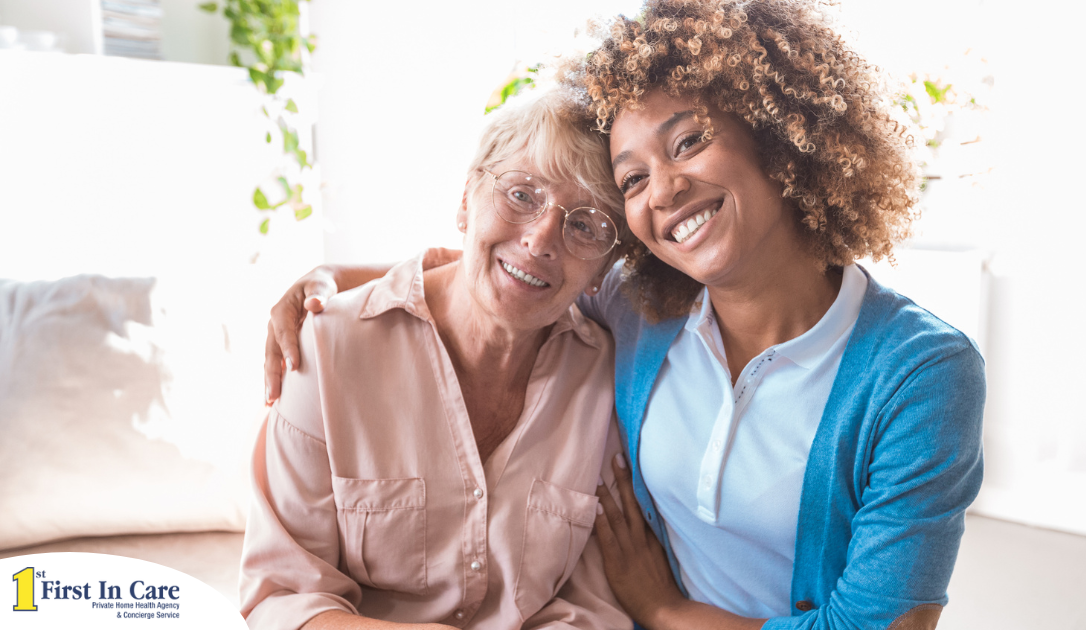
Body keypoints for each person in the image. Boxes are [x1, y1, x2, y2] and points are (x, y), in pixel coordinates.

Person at [264, 1, 986, 629]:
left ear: (778, 134)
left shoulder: (920, 374)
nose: (664, 190)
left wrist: (665, 611)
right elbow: (506, 266)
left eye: (689, 141)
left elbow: (883, 627)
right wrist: (330, 280)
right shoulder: (644, 310)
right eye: (632, 178)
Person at [240, 87, 635, 630]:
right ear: (467, 198)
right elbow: (284, 599)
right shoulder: (329, 350)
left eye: (585, 225)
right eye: (522, 194)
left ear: (604, 268)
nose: (542, 240)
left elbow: (591, 607)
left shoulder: (606, 378)